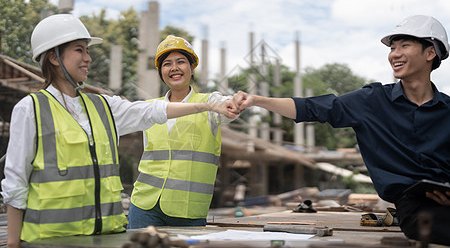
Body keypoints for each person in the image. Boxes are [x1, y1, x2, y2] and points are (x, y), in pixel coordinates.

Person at [0, 15, 238, 247]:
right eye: (79, 50)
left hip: (104, 236)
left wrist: (210, 105)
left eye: (87, 51)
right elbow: (15, 182)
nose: (88, 59)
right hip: (50, 238)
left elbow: (151, 111)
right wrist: (12, 242)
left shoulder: (104, 107)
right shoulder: (31, 109)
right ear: (53, 57)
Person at [233, 15, 450, 245]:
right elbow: (310, 108)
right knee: (429, 223)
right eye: (393, 48)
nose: (394, 54)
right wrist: (256, 100)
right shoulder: (371, 101)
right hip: (416, 208)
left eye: (405, 46)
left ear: (430, 53)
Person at [127, 35, 237, 228]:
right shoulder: (150, 108)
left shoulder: (209, 103)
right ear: (161, 72)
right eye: (167, 64)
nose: (174, 68)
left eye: (181, 62)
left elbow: (225, 107)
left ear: (192, 68)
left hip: (188, 208)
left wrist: (231, 104)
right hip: (145, 205)